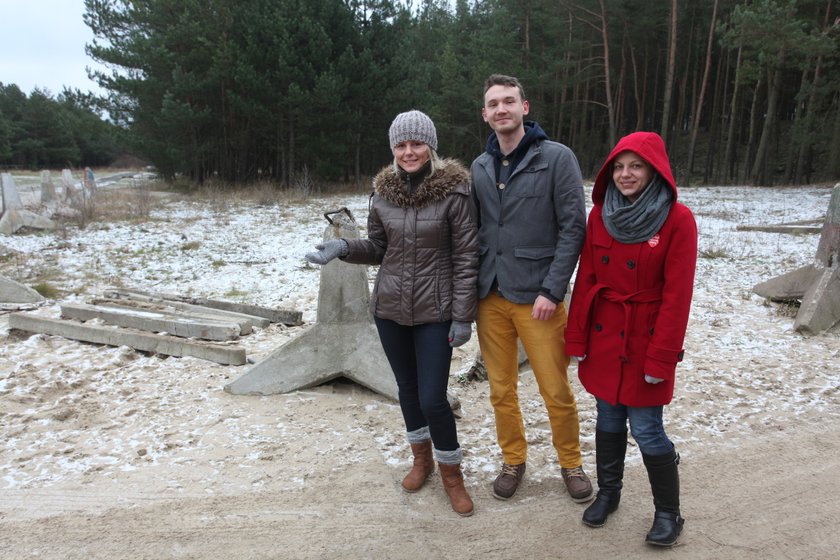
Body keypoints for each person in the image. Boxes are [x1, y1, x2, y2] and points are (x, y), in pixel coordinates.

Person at [305, 110, 479, 517]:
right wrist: (345, 248)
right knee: (406, 390)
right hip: (390, 310)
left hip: (436, 312)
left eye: (416, 143)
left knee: (433, 397)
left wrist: (462, 316)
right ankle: (422, 461)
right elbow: (380, 248)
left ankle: (453, 476)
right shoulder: (382, 195)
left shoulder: (456, 193)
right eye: (400, 145)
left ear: (430, 146)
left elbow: (467, 257)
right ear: (393, 149)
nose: (408, 151)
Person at [565, 131, 697, 547]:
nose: (625, 174)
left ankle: (668, 513)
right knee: (607, 418)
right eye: (619, 167)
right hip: (606, 338)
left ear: (654, 169)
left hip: (645, 339)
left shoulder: (678, 219)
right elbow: (586, 278)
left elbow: (678, 299)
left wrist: (661, 359)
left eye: (635, 166)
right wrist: (577, 339)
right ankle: (609, 493)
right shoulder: (600, 215)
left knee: (647, 429)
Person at [470, 74, 593, 503]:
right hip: (490, 299)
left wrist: (553, 289)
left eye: (509, 101)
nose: (501, 109)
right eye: (493, 104)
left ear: (525, 107)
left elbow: (573, 227)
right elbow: (478, 231)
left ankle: (571, 463)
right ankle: (513, 460)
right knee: (501, 390)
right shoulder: (480, 167)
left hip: (538, 299)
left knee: (555, 389)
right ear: (484, 115)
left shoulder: (557, 158)